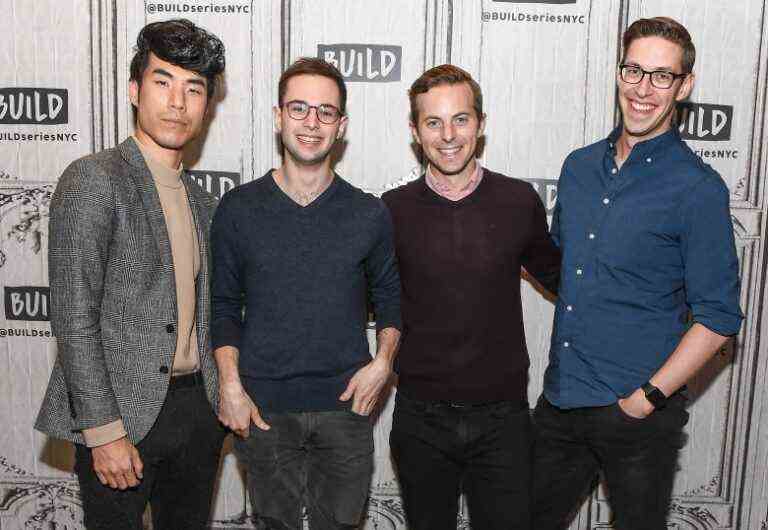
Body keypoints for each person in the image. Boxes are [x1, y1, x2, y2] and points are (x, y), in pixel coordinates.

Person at [531, 17, 744, 530]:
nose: (643, 89)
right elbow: (566, 271)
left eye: (662, 76)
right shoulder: (578, 168)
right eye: (634, 70)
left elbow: (718, 316)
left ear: (684, 86)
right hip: (560, 402)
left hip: (637, 414)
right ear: (618, 71)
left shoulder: (698, 188)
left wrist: (647, 399)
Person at [35, 19, 226, 530]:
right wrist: (102, 431)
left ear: (207, 105)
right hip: (121, 417)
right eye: (163, 82)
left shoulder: (205, 203)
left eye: (194, 88)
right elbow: (74, 319)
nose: (178, 102)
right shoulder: (94, 179)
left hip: (195, 414)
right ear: (134, 90)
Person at [210, 57, 401, 530]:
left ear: (342, 126)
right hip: (264, 409)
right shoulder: (239, 209)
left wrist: (383, 363)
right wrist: (230, 386)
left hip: (346, 410)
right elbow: (223, 306)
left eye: (325, 112)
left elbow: (392, 298)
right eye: (299, 109)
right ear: (278, 117)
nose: (311, 123)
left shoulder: (368, 213)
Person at [382, 64, 560, 530]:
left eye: (460, 119)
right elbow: (363, 298)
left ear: (481, 125)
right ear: (415, 131)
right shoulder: (391, 210)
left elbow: (566, 282)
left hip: (503, 419)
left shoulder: (519, 201)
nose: (448, 135)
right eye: (433, 122)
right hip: (421, 418)